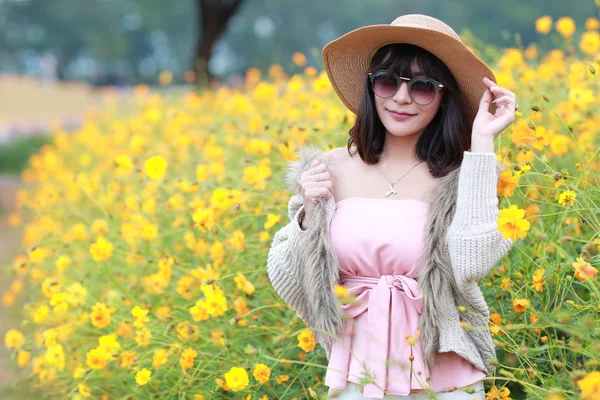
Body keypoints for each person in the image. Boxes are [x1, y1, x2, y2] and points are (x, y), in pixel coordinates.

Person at [267, 14, 517, 400]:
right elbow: (288, 278)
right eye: (387, 81)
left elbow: (473, 263)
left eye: (422, 87)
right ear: (371, 89)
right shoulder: (330, 168)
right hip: (357, 372)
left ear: (444, 96)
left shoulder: (461, 176)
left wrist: (482, 143)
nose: (401, 98)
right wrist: (308, 215)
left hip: (443, 374)